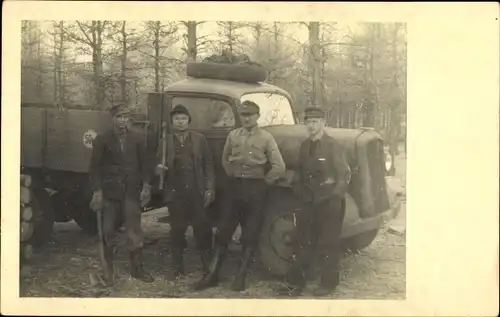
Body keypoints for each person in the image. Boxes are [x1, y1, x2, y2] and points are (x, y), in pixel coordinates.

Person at [194, 100, 286, 292]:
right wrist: (233, 176)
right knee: (224, 231)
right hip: (234, 188)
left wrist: (263, 183)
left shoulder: (266, 138)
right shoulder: (233, 135)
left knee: (250, 233)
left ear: (257, 117)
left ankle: (241, 276)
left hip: (256, 190)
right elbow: (225, 159)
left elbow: (279, 166)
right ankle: (213, 275)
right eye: (243, 115)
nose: (246, 118)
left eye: (250, 115)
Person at [277, 106, 351, 297]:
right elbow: (301, 173)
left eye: (315, 122)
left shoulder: (332, 146)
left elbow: (343, 175)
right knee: (305, 240)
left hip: (329, 202)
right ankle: (299, 281)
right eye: (308, 122)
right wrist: (299, 190)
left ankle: (329, 283)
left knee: (329, 242)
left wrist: (335, 198)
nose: (311, 126)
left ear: (323, 123)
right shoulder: (304, 147)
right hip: (309, 202)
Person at [89, 103, 154, 285]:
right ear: (113, 119)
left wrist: (147, 186)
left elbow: (145, 165)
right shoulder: (103, 139)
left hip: (131, 192)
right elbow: (94, 168)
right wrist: (97, 191)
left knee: (134, 230)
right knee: (109, 230)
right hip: (111, 193)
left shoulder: (139, 138)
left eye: (125, 117)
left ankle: (137, 269)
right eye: (119, 117)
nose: (122, 120)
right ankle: (108, 268)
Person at [157, 104, 215, 280]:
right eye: (176, 119)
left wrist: (210, 188)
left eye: (183, 118)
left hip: (196, 192)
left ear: (188, 121)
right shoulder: (165, 141)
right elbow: (157, 167)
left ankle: (207, 265)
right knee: (177, 229)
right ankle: (177, 267)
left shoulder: (199, 139)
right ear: (172, 122)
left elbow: (208, 165)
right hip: (175, 193)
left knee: (202, 227)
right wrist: (159, 169)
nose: (180, 122)